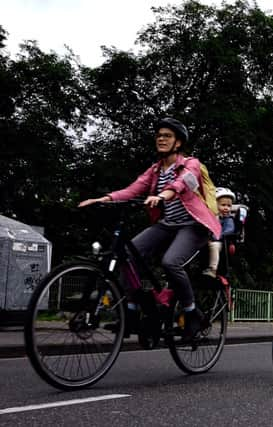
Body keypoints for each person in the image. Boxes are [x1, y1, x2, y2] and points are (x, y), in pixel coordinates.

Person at [78, 117, 221, 342]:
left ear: (178, 143)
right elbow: (133, 189)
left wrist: (163, 195)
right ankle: (132, 311)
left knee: (170, 262)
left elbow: (184, 182)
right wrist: (104, 198)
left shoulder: (190, 163)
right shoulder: (154, 171)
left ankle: (191, 312)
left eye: (167, 136)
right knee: (126, 255)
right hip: (167, 225)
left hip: (193, 226)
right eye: (159, 136)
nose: (161, 139)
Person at [203, 187, 236, 278]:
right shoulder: (210, 216)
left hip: (219, 241)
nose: (226, 208)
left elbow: (229, 230)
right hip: (205, 239)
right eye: (223, 205)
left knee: (215, 246)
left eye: (229, 206)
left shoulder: (228, 219)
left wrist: (215, 237)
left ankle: (212, 269)